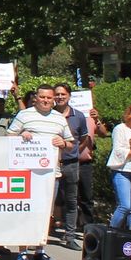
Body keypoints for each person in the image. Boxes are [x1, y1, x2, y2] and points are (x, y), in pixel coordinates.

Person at [6, 84, 76, 260]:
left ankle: (39, 250)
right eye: (42, 97)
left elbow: (70, 143)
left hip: (51, 173)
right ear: (36, 98)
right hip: (26, 172)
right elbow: (9, 135)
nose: (45, 101)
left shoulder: (59, 118)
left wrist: (63, 143)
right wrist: (22, 134)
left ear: (53, 100)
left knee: (46, 214)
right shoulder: (24, 115)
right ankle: (22, 252)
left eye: (49, 98)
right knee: (25, 210)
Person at [52, 83, 95, 244]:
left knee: (71, 200)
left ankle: (69, 236)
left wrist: (74, 152)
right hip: (50, 163)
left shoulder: (79, 116)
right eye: (57, 94)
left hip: (70, 163)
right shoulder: (48, 114)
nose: (60, 97)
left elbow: (83, 138)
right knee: (50, 200)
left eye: (63, 94)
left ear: (69, 96)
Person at [106, 103, 131, 230]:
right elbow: (118, 150)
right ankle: (112, 231)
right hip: (123, 170)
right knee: (124, 206)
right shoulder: (120, 128)